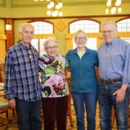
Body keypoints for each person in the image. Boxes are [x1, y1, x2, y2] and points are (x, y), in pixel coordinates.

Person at [4, 23, 42, 130]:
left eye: (31, 32)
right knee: (24, 123)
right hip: (21, 95)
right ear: (20, 34)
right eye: (26, 32)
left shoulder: (34, 51)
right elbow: (8, 75)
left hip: (36, 94)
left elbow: (38, 71)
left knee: (36, 121)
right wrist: (10, 96)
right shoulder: (12, 51)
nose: (29, 35)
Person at [98, 21, 130, 130]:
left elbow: (128, 68)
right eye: (104, 31)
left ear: (116, 32)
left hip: (119, 86)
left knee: (121, 121)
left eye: (109, 31)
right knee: (103, 119)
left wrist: (123, 88)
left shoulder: (125, 46)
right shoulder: (101, 47)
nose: (106, 34)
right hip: (102, 86)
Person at [66, 30, 99, 130]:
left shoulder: (93, 53)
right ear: (74, 40)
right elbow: (66, 67)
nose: (80, 40)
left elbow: (101, 67)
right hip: (76, 90)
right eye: (78, 38)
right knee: (79, 117)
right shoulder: (70, 54)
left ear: (86, 39)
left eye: (83, 38)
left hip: (91, 90)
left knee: (91, 116)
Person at [38, 37, 69, 130]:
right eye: (49, 47)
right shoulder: (41, 60)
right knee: (49, 119)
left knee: (62, 118)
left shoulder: (62, 58)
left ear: (57, 47)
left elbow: (70, 69)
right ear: (46, 49)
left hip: (63, 93)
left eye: (54, 46)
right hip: (47, 94)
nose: (52, 49)